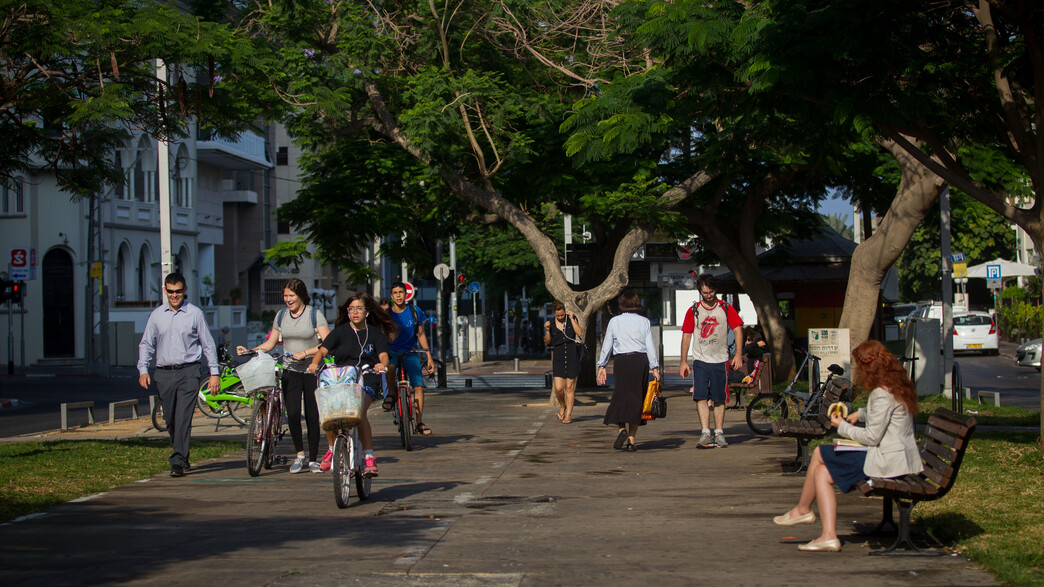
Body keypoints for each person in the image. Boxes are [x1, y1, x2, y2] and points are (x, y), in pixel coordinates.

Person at [773, 339, 922, 552]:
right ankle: (827, 535)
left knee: (821, 451)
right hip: (898, 458)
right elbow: (886, 414)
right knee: (822, 473)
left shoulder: (881, 393)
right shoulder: (896, 385)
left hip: (887, 461)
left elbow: (872, 437)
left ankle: (804, 510)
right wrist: (858, 414)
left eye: (860, 366)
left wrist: (841, 425)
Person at [237, 278, 330, 474]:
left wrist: (306, 353)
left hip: (312, 369)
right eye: (285, 296)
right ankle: (300, 455)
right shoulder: (281, 316)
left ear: (301, 295)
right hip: (290, 369)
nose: (288, 299)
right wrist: (250, 350)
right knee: (294, 414)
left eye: (292, 296)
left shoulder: (314, 315)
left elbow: (327, 344)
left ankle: (313, 459)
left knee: (312, 415)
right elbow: (270, 343)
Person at [137, 273, 221, 478]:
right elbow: (146, 344)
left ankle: (178, 461)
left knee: (183, 416)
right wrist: (143, 369)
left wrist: (214, 373)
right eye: (170, 292)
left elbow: (208, 345)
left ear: (184, 291)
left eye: (178, 291)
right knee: (170, 418)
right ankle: (183, 452)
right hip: (164, 373)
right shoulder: (156, 315)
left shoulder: (195, 314)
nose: (174, 295)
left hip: (189, 372)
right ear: (165, 291)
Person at [307, 293, 396, 477]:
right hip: (342, 379)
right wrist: (315, 363)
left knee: (359, 411)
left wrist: (382, 365)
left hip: (367, 377)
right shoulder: (340, 331)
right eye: (351, 309)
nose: (355, 312)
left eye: (359, 308)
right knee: (327, 410)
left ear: (367, 312)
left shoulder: (374, 333)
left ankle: (369, 457)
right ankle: (332, 448)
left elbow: (383, 355)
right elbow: (322, 349)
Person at [679, 274, 743, 448]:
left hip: (720, 360)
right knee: (700, 396)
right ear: (700, 291)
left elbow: (738, 330)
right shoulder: (693, 310)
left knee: (719, 397)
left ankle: (720, 433)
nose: (708, 295)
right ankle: (705, 433)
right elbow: (686, 335)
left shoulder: (725, 308)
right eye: (705, 292)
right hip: (700, 360)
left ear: (715, 290)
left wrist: (737, 354)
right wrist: (683, 361)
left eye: (711, 291)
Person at [596, 290, 661, 451]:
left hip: (622, 361)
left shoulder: (614, 321)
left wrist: (601, 365)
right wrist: (655, 367)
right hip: (640, 361)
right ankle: (631, 441)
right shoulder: (644, 322)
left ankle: (621, 429)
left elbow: (607, 345)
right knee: (636, 399)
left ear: (621, 304)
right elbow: (650, 346)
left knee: (620, 396)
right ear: (637, 304)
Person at [384, 281, 436, 435]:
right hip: (392, 352)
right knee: (391, 367)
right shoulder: (387, 315)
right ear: (391, 296)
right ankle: (391, 394)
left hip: (411, 352)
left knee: (418, 386)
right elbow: (381, 335)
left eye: (401, 292)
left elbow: (420, 334)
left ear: (405, 294)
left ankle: (419, 422)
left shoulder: (414, 311)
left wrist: (428, 356)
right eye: (395, 293)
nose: (398, 295)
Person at [544, 300, 583, 424]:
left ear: (565, 312)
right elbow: (548, 341)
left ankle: (569, 415)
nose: (560, 317)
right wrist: (547, 330)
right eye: (558, 315)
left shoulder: (571, 319)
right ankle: (562, 406)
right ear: (554, 313)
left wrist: (571, 319)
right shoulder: (551, 323)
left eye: (562, 315)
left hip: (572, 354)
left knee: (569, 387)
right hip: (559, 356)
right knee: (559, 388)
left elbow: (580, 333)